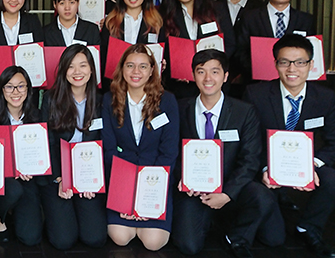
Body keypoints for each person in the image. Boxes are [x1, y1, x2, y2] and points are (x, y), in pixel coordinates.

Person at [243, 34, 335, 258]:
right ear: (275, 64)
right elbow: (249, 142)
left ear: (311, 65)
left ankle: (308, 227)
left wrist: (311, 166)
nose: (292, 69)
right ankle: (273, 208)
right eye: (284, 62)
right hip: (267, 169)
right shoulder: (256, 95)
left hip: (308, 165)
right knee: (273, 239)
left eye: (300, 62)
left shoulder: (325, 98)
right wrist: (264, 168)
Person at [172, 50, 282, 257]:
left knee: (264, 203)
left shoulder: (244, 111)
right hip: (192, 189)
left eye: (215, 72)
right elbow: (171, 151)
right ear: (193, 75)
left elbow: (250, 159)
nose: (208, 78)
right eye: (201, 71)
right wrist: (182, 179)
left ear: (225, 76)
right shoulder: (179, 108)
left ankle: (236, 237)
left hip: (231, 185)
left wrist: (227, 193)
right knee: (188, 246)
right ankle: (211, 219)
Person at [101, 44, 179, 251]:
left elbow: (169, 152)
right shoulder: (109, 100)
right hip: (121, 180)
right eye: (130, 65)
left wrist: (146, 195)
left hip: (154, 182)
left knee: (153, 242)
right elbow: (109, 149)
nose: (136, 71)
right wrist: (126, 194)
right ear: (122, 68)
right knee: (120, 237)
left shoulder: (167, 101)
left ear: (152, 70)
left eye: (143, 66)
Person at [40, 45, 107, 250]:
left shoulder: (102, 101)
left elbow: (106, 143)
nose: (77, 72)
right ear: (63, 70)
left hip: (88, 174)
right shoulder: (51, 99)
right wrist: (59, 177)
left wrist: (93, 179)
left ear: (91, 69)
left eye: (83, 65)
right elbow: (47, 142)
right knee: (63, 240)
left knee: (95, 238)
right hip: (59, 174)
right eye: (71, 66)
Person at [0, 66, 43, 246]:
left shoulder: (37, 118)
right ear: (1, 90)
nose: (15, 92)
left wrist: (33, 168)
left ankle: (15, 211)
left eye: (21, 86)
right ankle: (0, 217)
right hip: (1, 180)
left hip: (28, 179)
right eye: (9, 87)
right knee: (14, 190)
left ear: (28, 89)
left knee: (30, 238)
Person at [160, 0, 235, 100]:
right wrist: (176, 69)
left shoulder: (217, 9)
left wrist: (215, 67)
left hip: (214, 83)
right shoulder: (165, 15)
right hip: (181, 86)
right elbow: (163, 49)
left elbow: (230, 43)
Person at [236, 0, 316, 80]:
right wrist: (257, 70)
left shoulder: (306, 20)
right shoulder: (250, 17)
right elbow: (240, 51)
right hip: (257, 82)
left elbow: (309, 52)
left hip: (294, 80)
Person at [100, 0, 163, 90]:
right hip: (116, 84)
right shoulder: (111, 22)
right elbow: (102, 57)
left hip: (147, 86)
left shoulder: (156, 22)